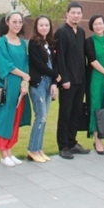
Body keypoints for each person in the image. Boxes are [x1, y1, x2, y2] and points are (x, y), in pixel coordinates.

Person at [0, 10, 32, 167]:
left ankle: (9, 151)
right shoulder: (2, 42)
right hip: (6, 85)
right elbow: (4, 65)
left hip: (19, 86)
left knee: (15, 118)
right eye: (14, 21)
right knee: (4, 118)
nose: (17, 25)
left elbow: (26, 64)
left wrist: (24, 83)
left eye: (20, 22)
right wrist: (23, 75)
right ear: (7, 22)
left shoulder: (22, 43)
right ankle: (3, 153)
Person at [55, 2, 91, 159]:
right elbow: (60, 57)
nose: (76, 16)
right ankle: (63, 145)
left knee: (76, 113)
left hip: (80, 80)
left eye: (78, 13)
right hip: (67, 81)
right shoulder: (61, 32)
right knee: (65, 114)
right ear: (67, 14)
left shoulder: (81, 32)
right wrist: (64, 79)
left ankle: (72, 142)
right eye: (73, 13)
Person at [27, 15, 60, 163]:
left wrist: (54, 82)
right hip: (38, 84)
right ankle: (32, 150)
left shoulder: (51, 44)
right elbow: (39, 64)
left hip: (48, 83)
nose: (44, 27)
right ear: (36, 27)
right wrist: (56, 75)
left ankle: (39, 149)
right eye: (41, 25)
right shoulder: (33, 43)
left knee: (45, 118)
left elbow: (55, 64)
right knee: (40, 116)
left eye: (47, 25)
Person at [84, 14, 104, 155]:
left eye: (100, 23)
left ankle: (102, 137)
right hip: (95, 79)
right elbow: (92, 60)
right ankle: (97, 139)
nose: (98, 26)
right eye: (95, 24)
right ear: (92, 26)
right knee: (96, 107)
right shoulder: (89, 41)